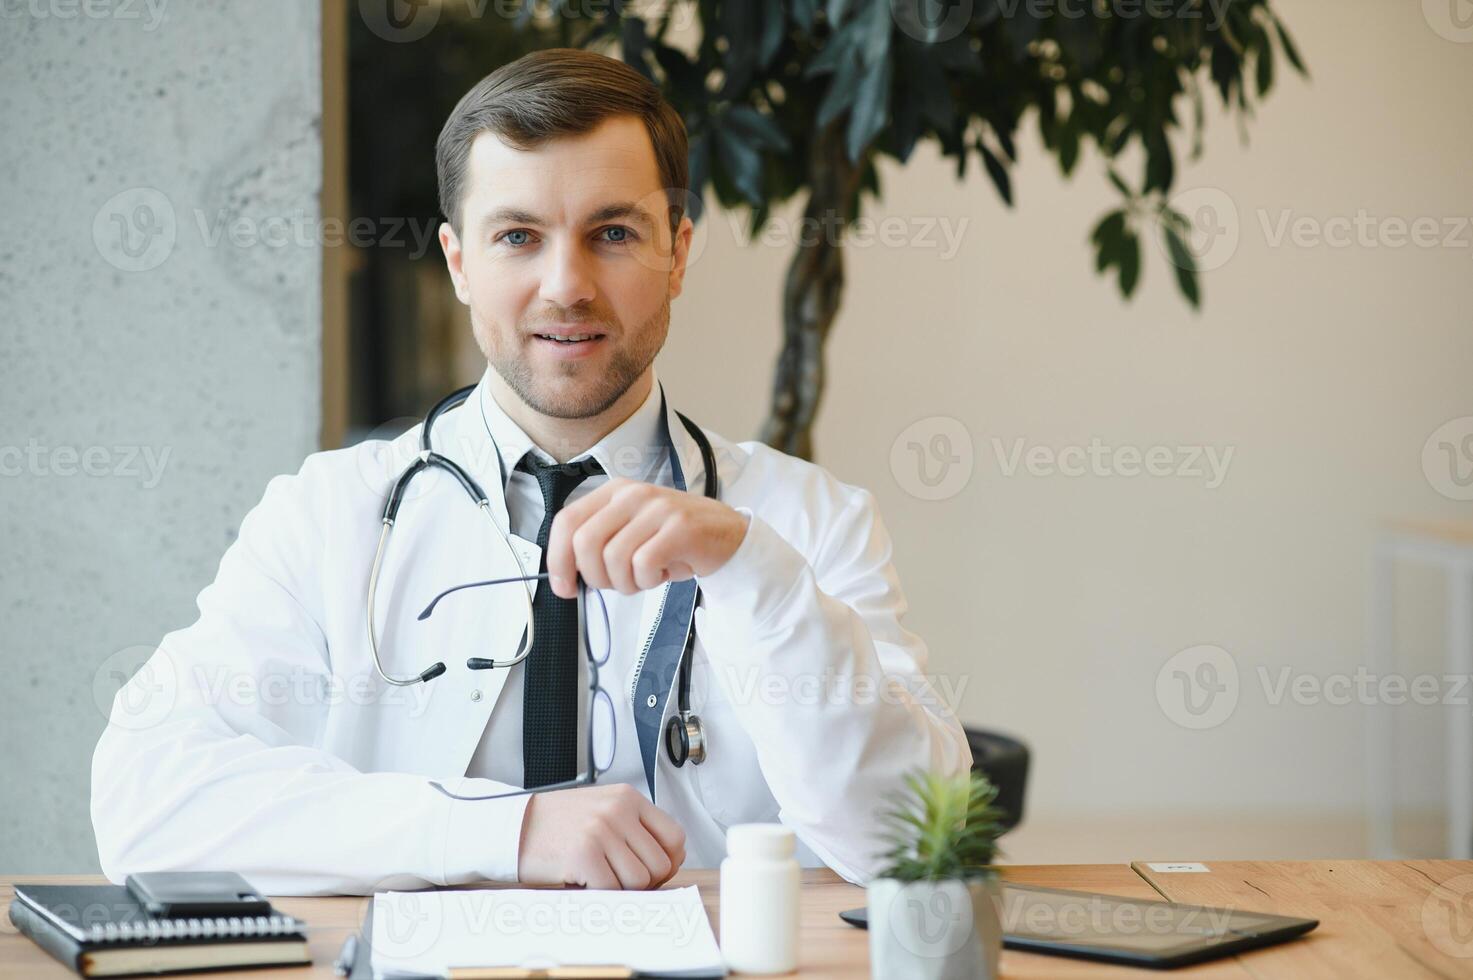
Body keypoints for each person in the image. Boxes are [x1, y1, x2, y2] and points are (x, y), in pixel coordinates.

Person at [91, 48, 970, 895]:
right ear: (459, 262)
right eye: (517, 236)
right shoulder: (328, 516)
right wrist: (504, 832)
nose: (566, 286)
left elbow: (910, 846)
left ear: (679, 252)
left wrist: (758, 578)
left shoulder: (806, 520)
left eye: (613, 233)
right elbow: (147, 801)